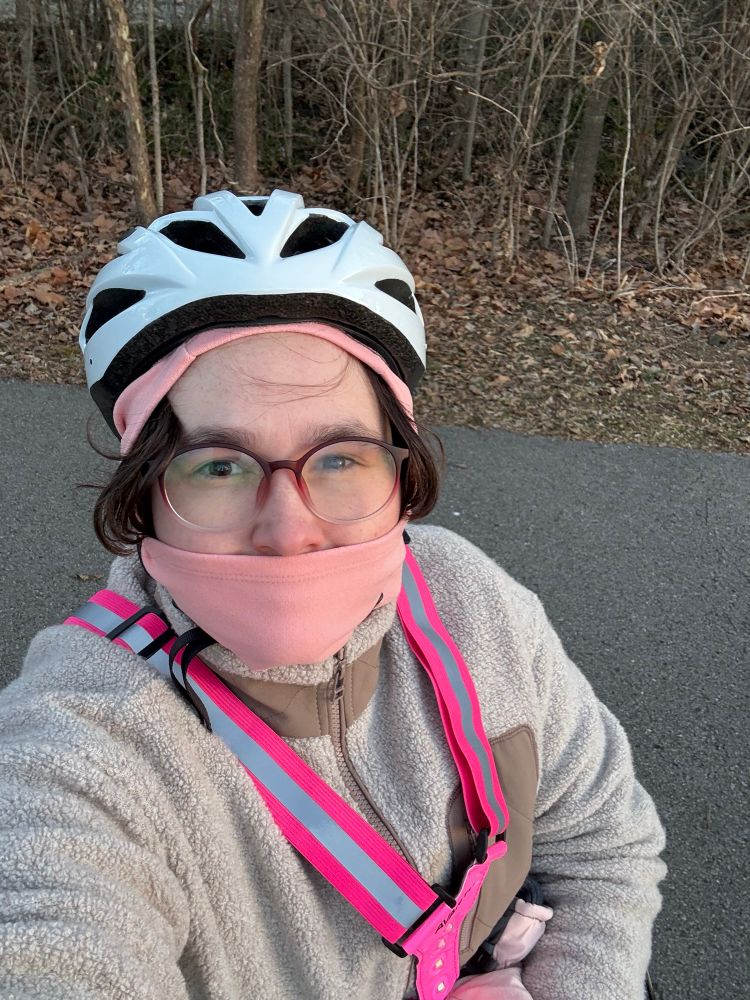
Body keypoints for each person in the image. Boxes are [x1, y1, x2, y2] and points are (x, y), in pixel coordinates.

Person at [0, 189, 665, 1000]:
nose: (290, 529)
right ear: (143, 494)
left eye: (341, 458)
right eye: (217, 465)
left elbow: (603, 850)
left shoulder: (468, 599)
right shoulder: (84, 744)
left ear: (400, 471)